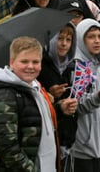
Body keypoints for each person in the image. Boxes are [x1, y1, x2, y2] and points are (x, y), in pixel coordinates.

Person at [0, 36, 71, 171]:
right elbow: (7, 148)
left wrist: (58, 109)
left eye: (35, 62)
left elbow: (33, 119)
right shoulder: (6, 96)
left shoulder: (35, 86)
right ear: (12, 63)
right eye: (24, 61)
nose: (30, 66)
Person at [71, 19, 100, 171]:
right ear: (81, 39)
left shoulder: (99, 65)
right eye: (91, 37)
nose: (97, 41)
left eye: (99, 37)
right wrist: (98, 96)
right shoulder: (78, 67)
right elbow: (78, 107)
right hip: (82, 145)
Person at [37, 24, 79, 169]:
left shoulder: (71, 67)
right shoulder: (41, 68)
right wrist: (49, 95)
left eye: (68, 39)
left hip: (68, 136)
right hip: (50, 140)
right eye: (60, 38)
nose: (64, 43)